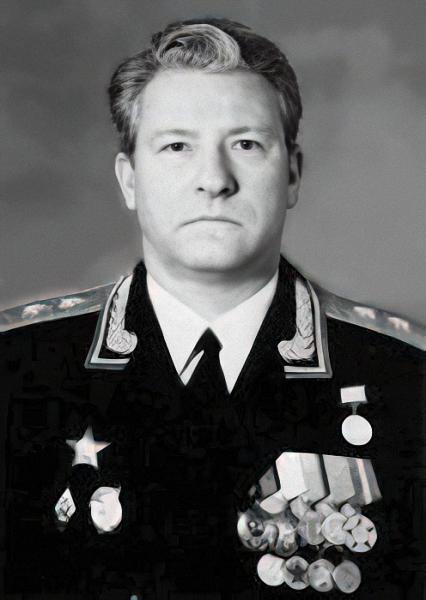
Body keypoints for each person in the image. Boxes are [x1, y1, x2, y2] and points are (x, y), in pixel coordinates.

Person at [0, 17, 425, 600]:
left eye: (246, 144)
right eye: (177, 146)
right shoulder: (16, 366)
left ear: (292, 174)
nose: (214, 180)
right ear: (129, 179)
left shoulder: (407, 378)